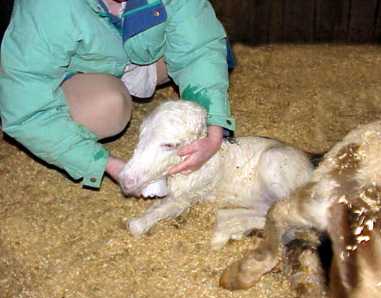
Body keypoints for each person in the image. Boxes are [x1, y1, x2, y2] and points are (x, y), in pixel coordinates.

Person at [0, 0, 235, 189]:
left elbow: (199, 50)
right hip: (77, 71)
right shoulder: (46, 7)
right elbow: (26, 108)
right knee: (109, 106)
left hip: (136, 52)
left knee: (191, 49)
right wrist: (105, 165)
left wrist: (213, 130)